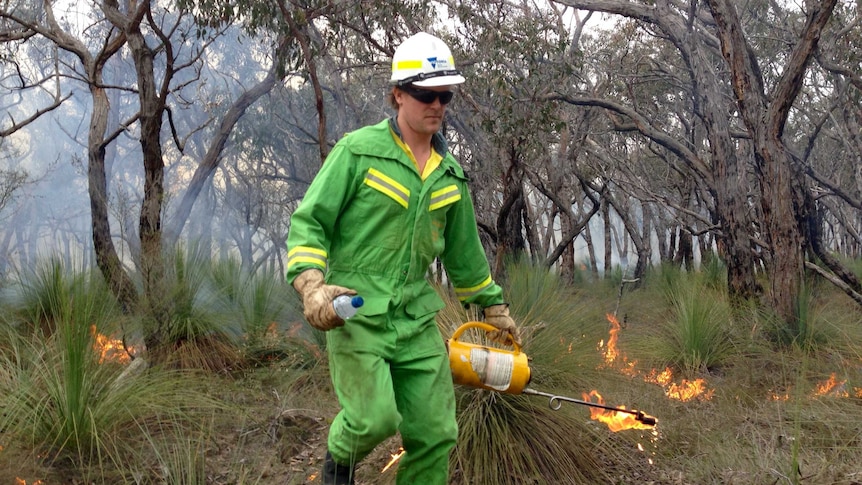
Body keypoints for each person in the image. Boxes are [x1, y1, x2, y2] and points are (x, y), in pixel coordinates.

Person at [286, 31, 521, 485]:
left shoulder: (450, 176)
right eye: (424, 94)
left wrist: (494, 307)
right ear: (397, 93)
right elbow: (310, 222)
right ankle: (339, 463)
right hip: (356, 313)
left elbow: (465, 257)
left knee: (435, 433)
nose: (436, 104)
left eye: (445, 95)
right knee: (374, 419)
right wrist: (311, 286)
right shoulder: (358, 152)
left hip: (415, 319)